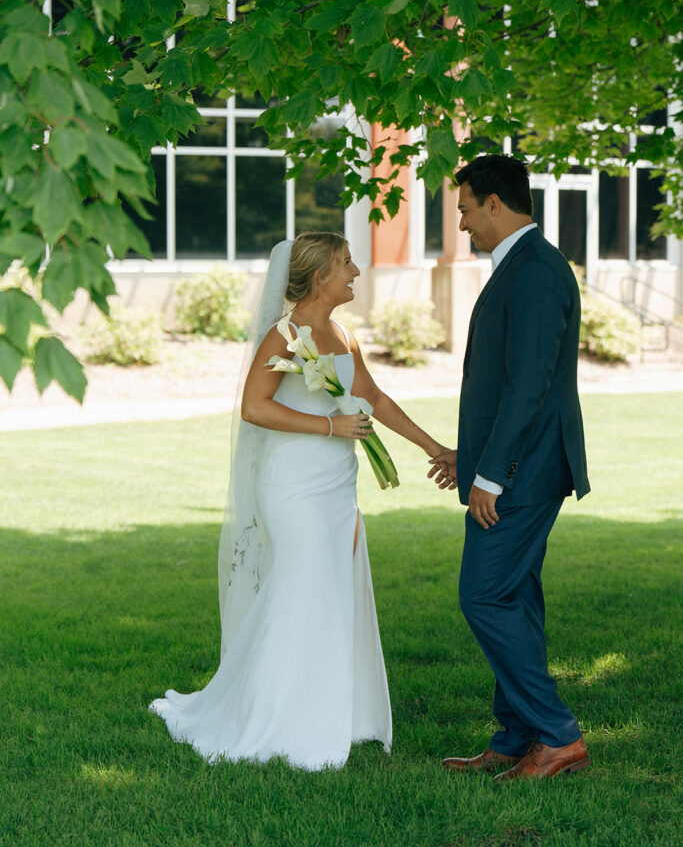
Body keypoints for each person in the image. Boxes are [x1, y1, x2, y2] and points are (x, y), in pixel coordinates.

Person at [150, 232, 449, 770]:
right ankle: (277, 721)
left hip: (338, 486)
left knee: (331, 594)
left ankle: (334, 712)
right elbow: (253, 407)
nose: (356, 272)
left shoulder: (342, 333)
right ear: (320, 276)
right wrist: (329, 425)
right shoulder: (283, 336)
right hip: (292, 486)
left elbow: (374, 399)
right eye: (347, 263)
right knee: (299, 591)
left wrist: (436, 448)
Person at [429, 155, 591, 781]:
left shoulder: (537, 272)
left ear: (495, 203)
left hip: (524, 472)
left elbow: (529, 385)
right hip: (512, 466)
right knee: (515, 597)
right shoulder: (521, 268)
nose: (464, 223)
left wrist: (491, 475)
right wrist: (467, 460)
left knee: (484, 595)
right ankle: (517, 735)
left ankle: (557, 735)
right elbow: (504, 385)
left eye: (466, 209)